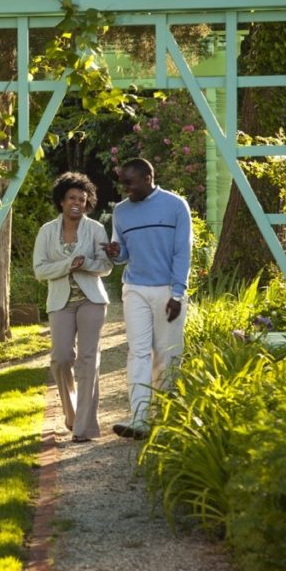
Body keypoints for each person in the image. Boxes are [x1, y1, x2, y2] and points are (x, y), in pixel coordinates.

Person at [102, 158, 192, 440]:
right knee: (138, 352)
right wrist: (116, 253)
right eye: (122, 182)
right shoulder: (121, 211)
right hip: (136, 289)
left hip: (168, 290)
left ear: (147, 177)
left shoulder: (176, 205)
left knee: (167, 355)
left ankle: (166, 418)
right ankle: (139, 419)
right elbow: (124, 254)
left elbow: (182, 252)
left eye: (129, 182)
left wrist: (177, 293)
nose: (124, 188)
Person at [33, 172, 113, 442]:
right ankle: (71, 414)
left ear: (87, 201)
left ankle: (84, 427)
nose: (77, 202)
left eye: (82, 198)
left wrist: (86, 263)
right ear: (62, 201)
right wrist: (68, 264)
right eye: (71, 198)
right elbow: (40, 270)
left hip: (92, 300)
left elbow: (105, 267)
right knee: (61, 358)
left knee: (89, 360)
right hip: (60, 302)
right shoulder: (47, 231)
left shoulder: (96, 229)